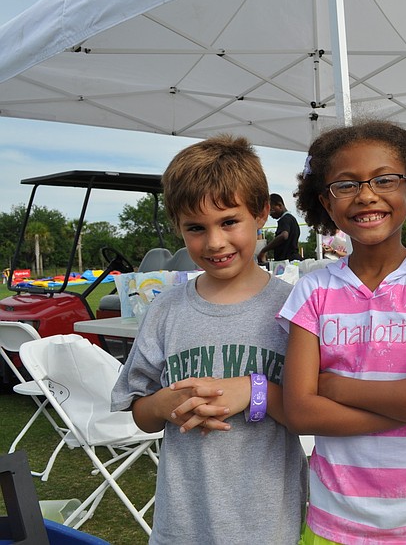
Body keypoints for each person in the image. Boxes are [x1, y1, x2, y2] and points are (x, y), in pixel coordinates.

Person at [277, 120, 406, 545]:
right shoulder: (314, 290)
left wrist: (333, 386)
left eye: (385, 179)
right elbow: (301, 413)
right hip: (334, 524)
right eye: (345, 185)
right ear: (326, 204)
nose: (366, 194)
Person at [110, 135, 307, 543]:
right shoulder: (165, 310)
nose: (214, 242)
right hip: (182, 524)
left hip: (268, 523)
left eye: (229, 221)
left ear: (261, 213)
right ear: (178, 229)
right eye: (196, 228)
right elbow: (140, 413)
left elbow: (310, 415)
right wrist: (163, 404)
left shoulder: (295, 309)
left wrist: (255, 391)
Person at [259, 193, 301, 262]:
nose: (271, 214)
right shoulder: (292, 219)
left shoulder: (284, 219)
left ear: (279, 205)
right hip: (293, 258)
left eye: (271, 210)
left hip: (286, 260)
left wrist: (264, 250)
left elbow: (284, 235)